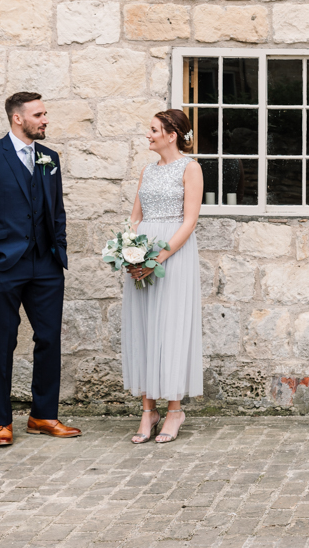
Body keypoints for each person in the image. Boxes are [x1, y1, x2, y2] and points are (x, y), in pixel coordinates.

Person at [0, 92, 81, 447]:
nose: (45, 120)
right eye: (39, 114)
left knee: (48, 339)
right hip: (5, 265)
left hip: (46, 265)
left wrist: (57, 246)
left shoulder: (49, 157)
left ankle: (43, 415)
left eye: (45, 114)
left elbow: (56, 210)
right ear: (18, 118)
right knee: (4, 341)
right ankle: (2, 422)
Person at [122, 110, 204, 444]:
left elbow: (190, 220)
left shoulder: (191, 168)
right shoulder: (146, 171)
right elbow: (135, 217)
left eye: (153, 130)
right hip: (143, 254)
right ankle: (148, 410)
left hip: (174, 254)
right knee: (144, 326)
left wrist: (160, 256)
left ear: (172, 135)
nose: (148, 135)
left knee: (170, 328)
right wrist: (130, 252)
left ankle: (174, 410)